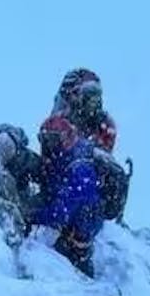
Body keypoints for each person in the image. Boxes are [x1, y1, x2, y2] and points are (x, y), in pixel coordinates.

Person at [27, 68, 126, 274]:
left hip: (83, 206)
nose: (94, 100)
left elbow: (100, 162)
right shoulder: (58, 122)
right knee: (83, 176)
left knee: (92, 192)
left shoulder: (104, 125)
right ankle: (49, 228)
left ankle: (78, 245)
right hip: (57, 191)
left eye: (97, 93)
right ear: (72, 95)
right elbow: (61, 147)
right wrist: (93, 155)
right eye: (88, 93)